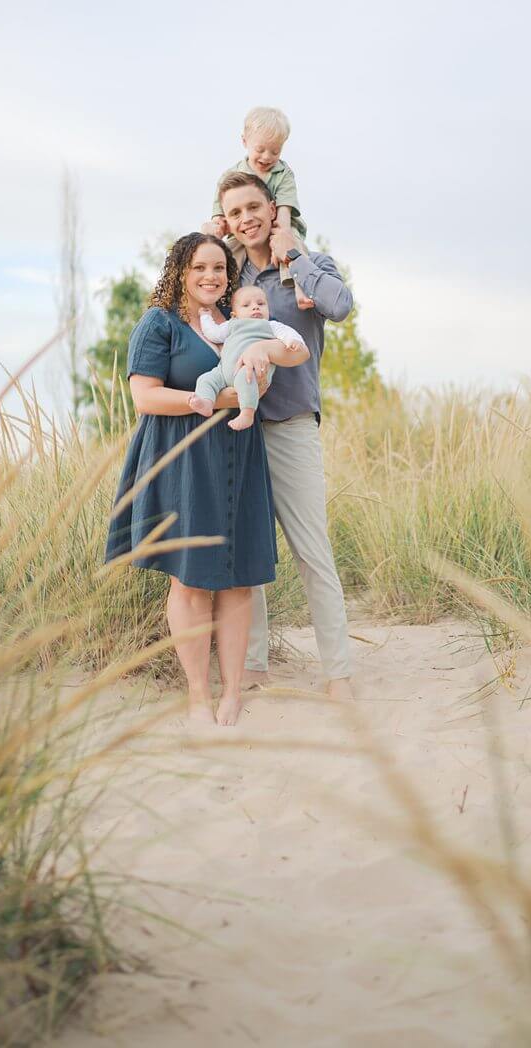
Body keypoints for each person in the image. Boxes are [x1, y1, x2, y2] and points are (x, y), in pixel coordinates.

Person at [104, 233, 309, 726]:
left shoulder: (242, 322)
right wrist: (223, 400)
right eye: (200, 267)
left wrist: (265, 358)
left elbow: (285, 356)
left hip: (240, 454)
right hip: (182, 458)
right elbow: (146, 399)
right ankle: (198, 693)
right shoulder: (159, 323)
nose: (211, 276)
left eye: (219, 268)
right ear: (179, 270)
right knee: (190, 579)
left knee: (239, 579)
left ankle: (232, 693)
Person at [217, 170, 355, 699]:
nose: (246, 219)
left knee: (311, 550)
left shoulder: (307, 264)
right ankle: (253, 666)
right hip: (234, 427)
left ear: (274, 208)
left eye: (254, 207)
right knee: (247, 552)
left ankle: (338, 673)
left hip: (291, 425)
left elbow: (341, 307)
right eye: (235, 212)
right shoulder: (226, 277)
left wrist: (293, 255)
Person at [206, 106, 315, 310]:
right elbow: (219, 211)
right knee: (227, 254)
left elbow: (284, 212)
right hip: (244, 233)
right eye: (260, 150)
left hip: (280, 226)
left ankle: (301, 288)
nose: (267, 157)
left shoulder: (283, 174)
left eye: (275, 151)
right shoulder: (232, 175)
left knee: (295, 248)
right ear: (245, 142)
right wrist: (216, 224)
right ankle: (222, 299)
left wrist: (280, 243)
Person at [189, 285, 308, 431]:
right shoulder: (232, 325)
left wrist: (292, 341)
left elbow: (287, 333)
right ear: (234, 314)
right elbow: (212, 333)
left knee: (246, 379)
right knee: (206, 379)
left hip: (250, 370)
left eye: (261, 304)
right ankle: (206, 402)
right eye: (246, 305)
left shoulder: (271, 325)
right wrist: (205, 317)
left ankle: (247, 413)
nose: (255, 307)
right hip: (223, 371)